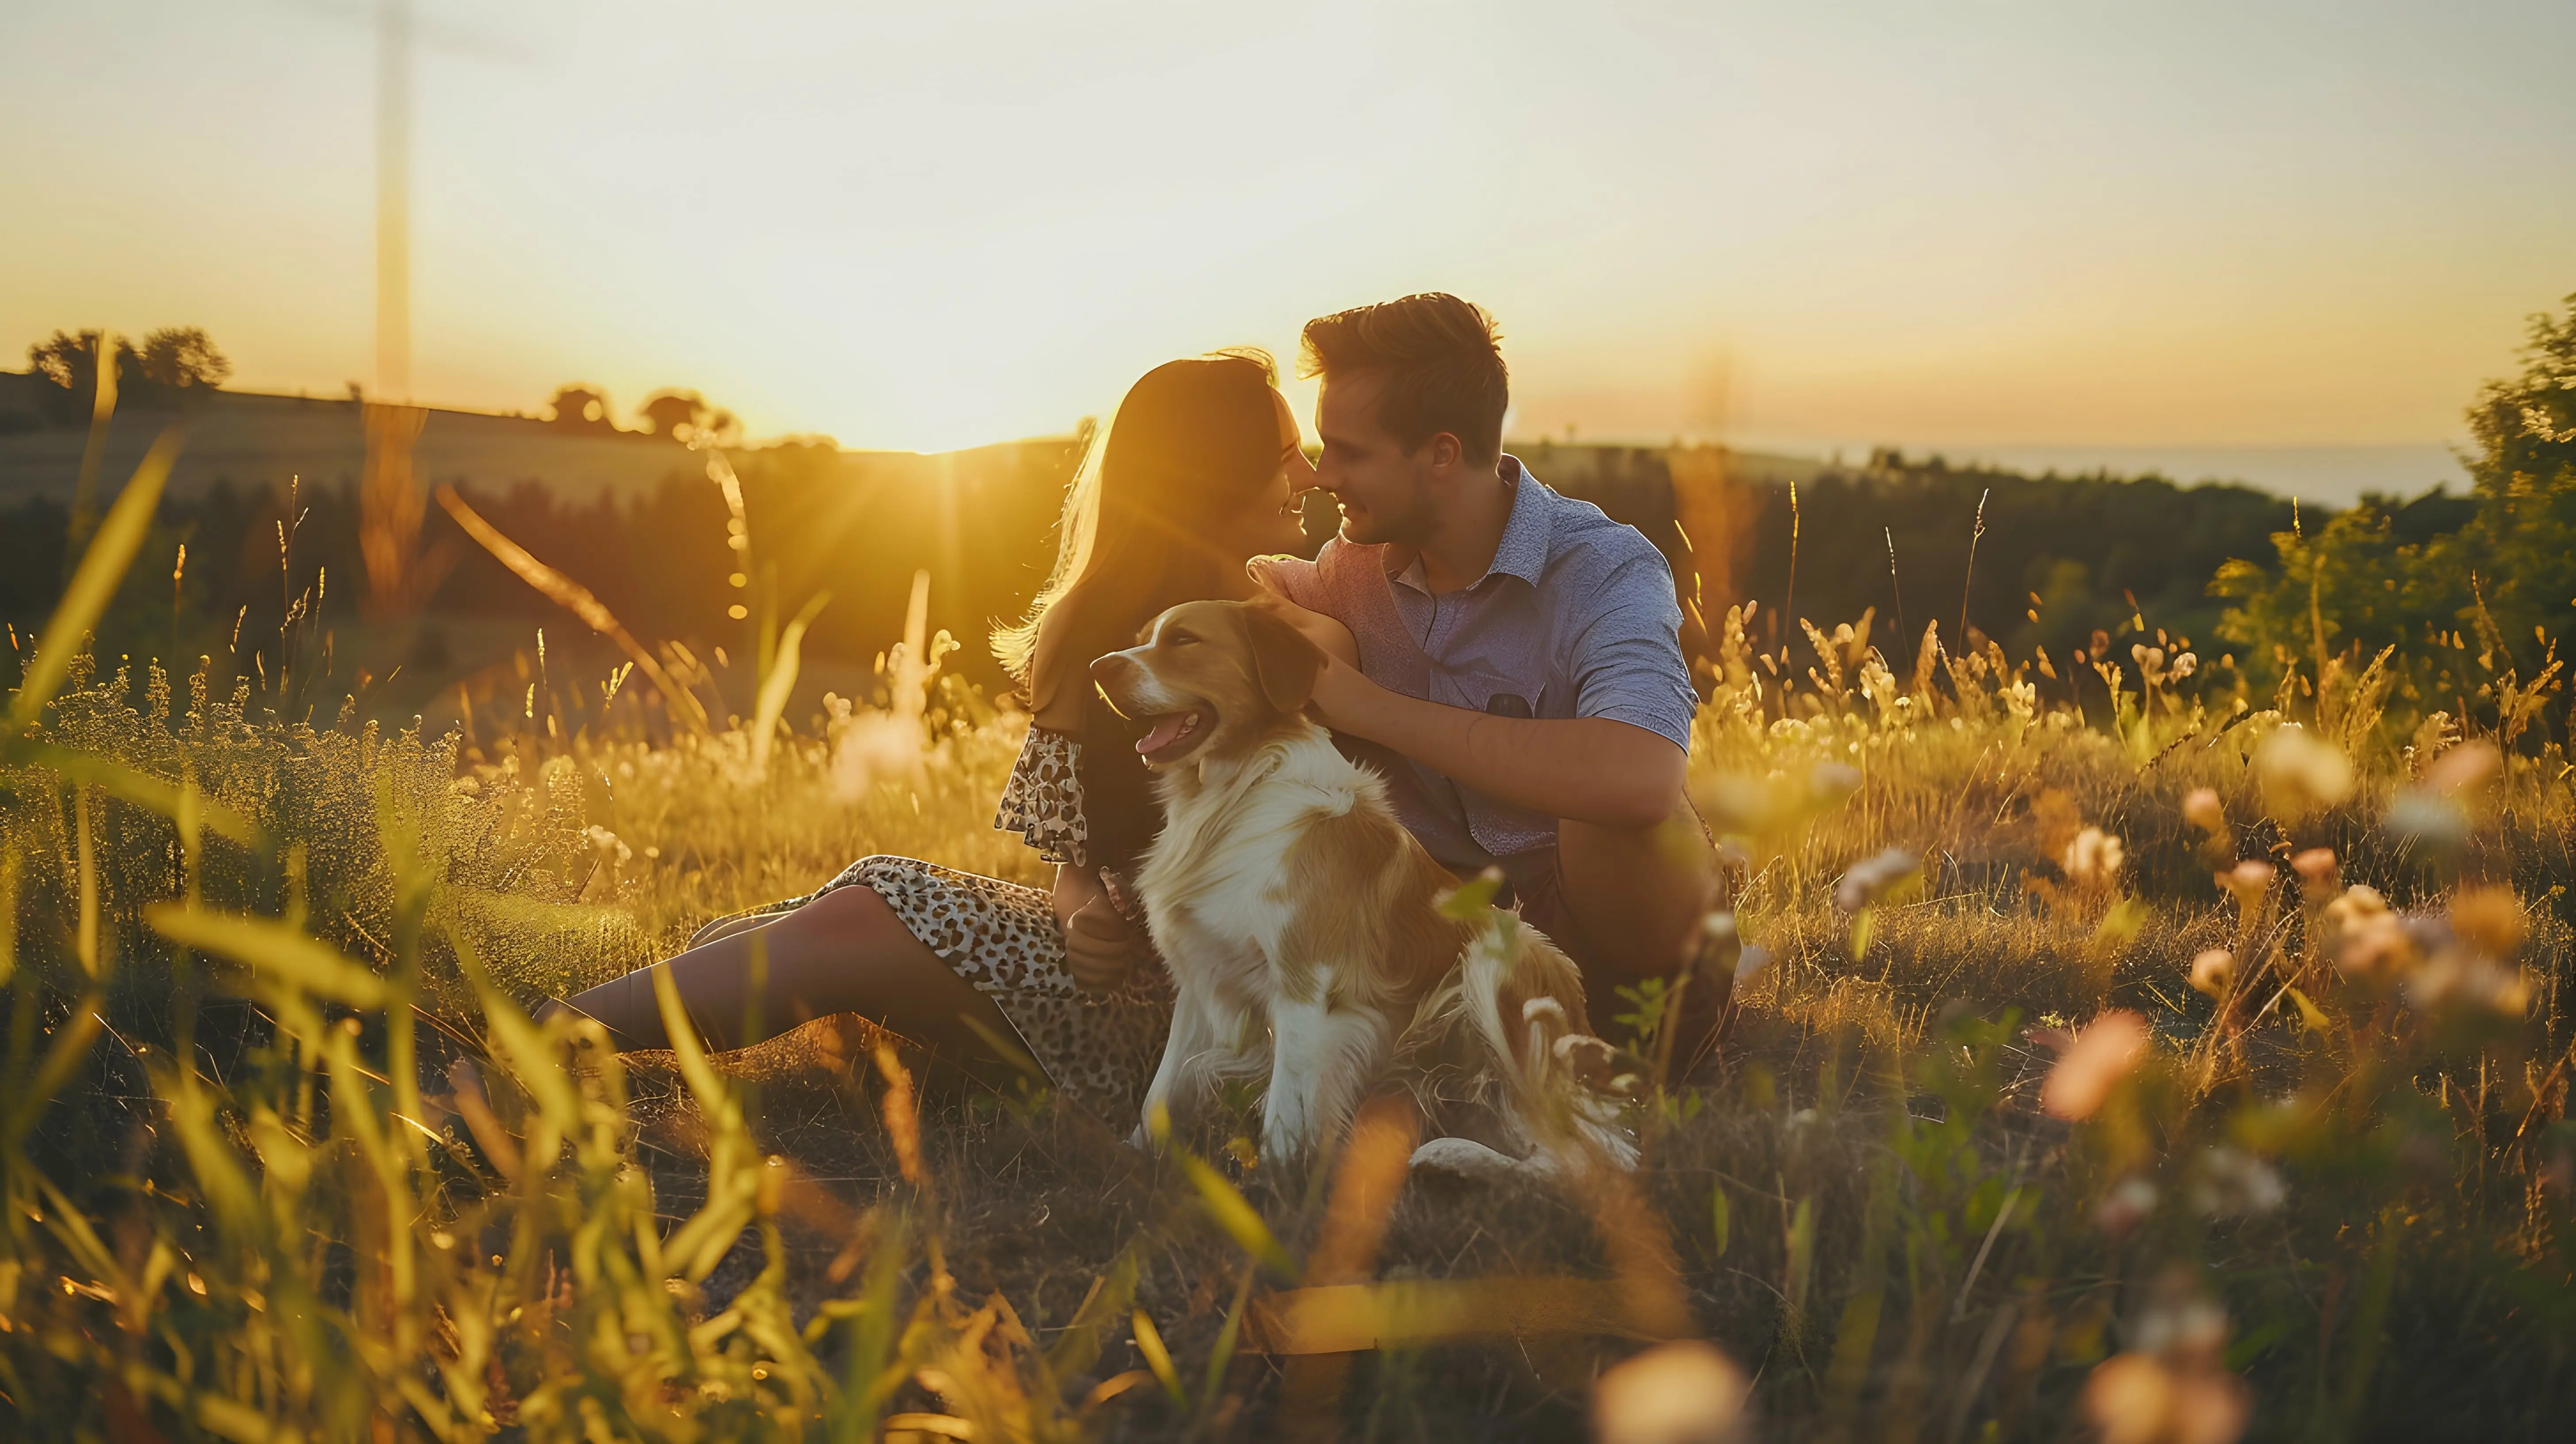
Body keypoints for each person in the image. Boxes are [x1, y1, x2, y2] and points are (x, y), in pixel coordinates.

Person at [542, 352, 1313, 1122]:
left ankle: (545, 1038)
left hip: (1196, 1013)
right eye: (1285, 458)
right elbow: (1073, 869)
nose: (1307, 476)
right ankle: (560, 1034)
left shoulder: (1289, 643)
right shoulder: (1088, 634)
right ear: (1217, 475)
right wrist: (1082, 914)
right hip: (1105, 982)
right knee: (854, 893)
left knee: (858, 915)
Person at [1249, 293, 1721, 1022]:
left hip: (1615, 960)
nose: (1322, 473)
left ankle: (1637, 1051)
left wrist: (1374, 710)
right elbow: (1240, 587)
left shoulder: (1605, 568)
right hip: (1439, 948)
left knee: (1613, 803)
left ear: (1441, 454)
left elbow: (1643, 779)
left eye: (1349, 451)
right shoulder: (1349, 568)